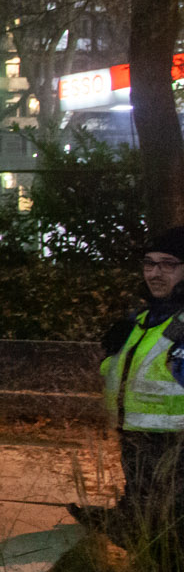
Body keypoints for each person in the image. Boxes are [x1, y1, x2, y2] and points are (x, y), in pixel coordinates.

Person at [102, 227, 184, 539]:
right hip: (136, 440)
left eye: (168, 264)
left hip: (175, 446)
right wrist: (108, 358)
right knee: (146, 527)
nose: (155, 273)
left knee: (171, 534)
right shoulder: (140, 320)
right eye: (149, 264)